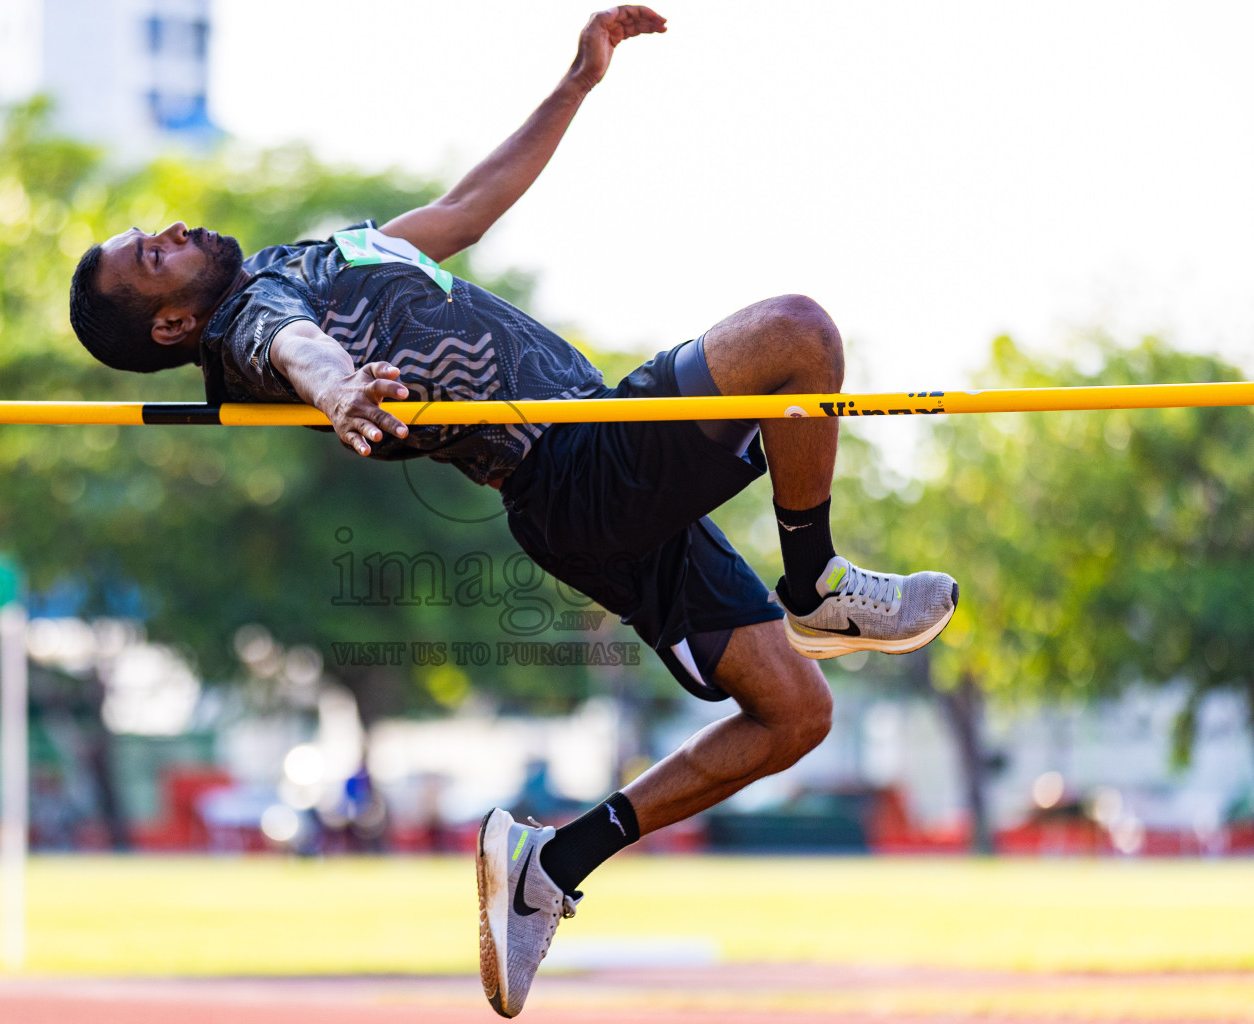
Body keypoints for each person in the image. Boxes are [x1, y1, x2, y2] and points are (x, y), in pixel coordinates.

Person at [69, 7, 958, 1017]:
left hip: (585, 487)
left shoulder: (299, 263)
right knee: (795, 335)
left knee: (794, 713)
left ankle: (550, 865)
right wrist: (341, 389)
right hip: (576, 467)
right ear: (173, 323)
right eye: (153, 257)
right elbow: (294, 349)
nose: (172, 233)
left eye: (156, 234)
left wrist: (575, 85)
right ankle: (815, 584)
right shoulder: (247, 319)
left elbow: (467, 207)